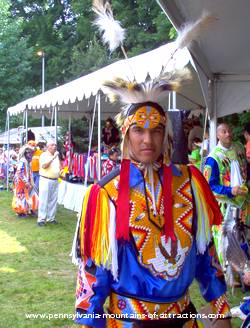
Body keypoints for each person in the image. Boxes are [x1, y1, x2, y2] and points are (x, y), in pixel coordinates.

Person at [72, 78, 231, 327]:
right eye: (139, 130)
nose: (148, 139)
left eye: (156, 130)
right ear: (126, 134)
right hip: (128, 320)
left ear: (166, 134)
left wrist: (221, 310)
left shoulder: (190, 183)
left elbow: (205, 253)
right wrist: (88, 322)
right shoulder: (104, 194)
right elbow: (93, 273)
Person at [204, 123, 249, 268]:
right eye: (224, 132)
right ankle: (229, 272)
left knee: (244, 236)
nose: (228, 134)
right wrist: (230, 191)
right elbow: (210, 186)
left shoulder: (239, 147)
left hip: (243, 202)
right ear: (218, 135)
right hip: (225, 206)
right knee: (226, 239)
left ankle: (245, 270)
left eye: (229, 131)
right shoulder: (213, 158)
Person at [37, 140, 60, 226]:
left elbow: (58, 166)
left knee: (53, 200)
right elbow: (44, 166)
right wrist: (53, 157)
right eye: (52, 145)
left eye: (55, 145)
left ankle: (51, 218)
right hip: (45, 179)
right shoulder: (44, 155)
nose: (54, 146)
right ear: (48, 147)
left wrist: (60, 172)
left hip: (55, 180)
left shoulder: (56, 155)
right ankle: (41, 219)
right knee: (44, 200)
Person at [12, 144, 38, 217]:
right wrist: (26, 182)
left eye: (31, 153)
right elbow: (20, 172)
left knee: (30, 194)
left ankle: (29, 209)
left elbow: (29, 172)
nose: (31, 155)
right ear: (25, 153)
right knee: (21, 196)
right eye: (29, 153)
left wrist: (30, 181)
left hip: (27, 181)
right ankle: (20, 212)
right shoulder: (22, 161)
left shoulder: (28, 161)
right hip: (21, 182)